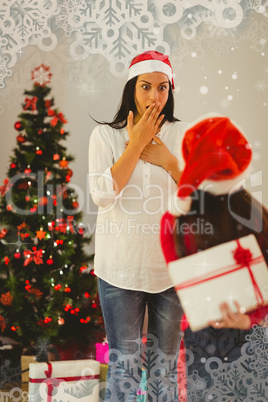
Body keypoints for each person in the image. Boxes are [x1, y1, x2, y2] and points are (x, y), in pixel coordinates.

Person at [88, 51, 188, 401]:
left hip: (170, 271)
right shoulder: (105, 136)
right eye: (146, 86)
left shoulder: (182, 135)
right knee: (124, 367)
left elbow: (199, 199)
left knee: (164, 368)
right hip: (119, 269)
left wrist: (169, 161)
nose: (154, 96)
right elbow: (102, 194)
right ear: (132, 88)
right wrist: (136, 144)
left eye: (162, 88)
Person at [160, 115, 268, 397]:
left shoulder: (176, 223)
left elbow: (182, 282)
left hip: (203, 340)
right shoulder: (259, 219)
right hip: (254, 339)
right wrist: (251, 319)